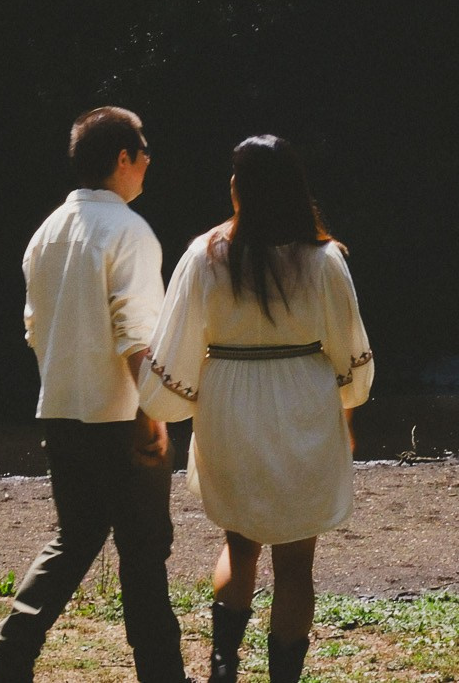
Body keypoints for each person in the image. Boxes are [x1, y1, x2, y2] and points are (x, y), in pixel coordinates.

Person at [138, 135, 374, 683]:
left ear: (239, 188)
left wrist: (159, 408)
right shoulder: (323, 260)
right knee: (295, 563)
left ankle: (224, 667)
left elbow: (174, 345)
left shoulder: (205, 254)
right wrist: (345, 414)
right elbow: (350, 356)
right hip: (302, 405)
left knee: (239, 545)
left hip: (229, 406)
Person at [0, 106, 188, 683]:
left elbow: (33, 329)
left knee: (73, 540)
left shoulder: (46, 232)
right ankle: (162, 675)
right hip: (121, 417)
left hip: (61, 411)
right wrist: (151, 413)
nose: (149, 162)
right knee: (144, 552)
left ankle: (7, 662)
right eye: (144, 152)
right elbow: (136, 336)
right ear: (122, 158)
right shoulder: (129, 231)